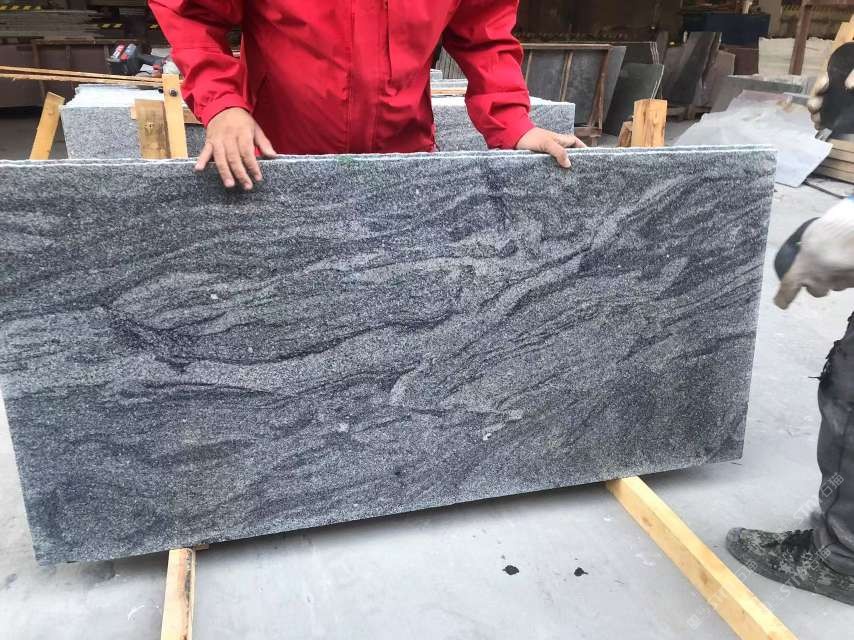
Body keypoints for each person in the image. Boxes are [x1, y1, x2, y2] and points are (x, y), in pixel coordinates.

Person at [148, 1, 584, 190]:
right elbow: (192, 12)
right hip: (277, 166)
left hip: (403, 169)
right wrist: (223, 104)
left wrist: (512, 123)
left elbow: (484, 33)